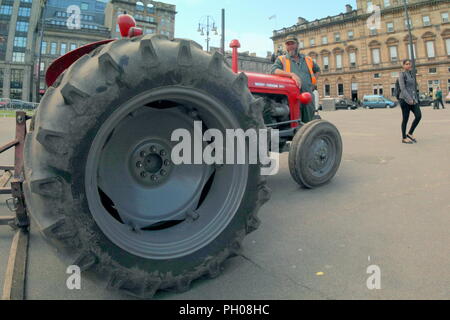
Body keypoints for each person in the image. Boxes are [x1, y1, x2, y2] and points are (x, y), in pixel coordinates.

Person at [271, 35, 321, 123]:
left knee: (308, 124)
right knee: (294, 124)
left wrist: (313, 83)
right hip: (291, 98)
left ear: (297, 45)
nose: (290, 46)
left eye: (292, 44)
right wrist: (291, 74)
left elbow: (317, 70)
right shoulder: (281, 59)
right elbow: (274, 70)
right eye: (288, 44)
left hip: (308, 97)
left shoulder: (307, 59)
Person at [398, 59, 421, 144]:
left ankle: (410, 133)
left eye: (409, 64)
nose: (409, 65)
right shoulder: (402, 74)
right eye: (407, 64)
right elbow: (403, 89)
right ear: (403, 65)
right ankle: (404, 138)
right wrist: (409, 99)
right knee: (405, 119)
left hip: (413, 99)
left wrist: (415, 98)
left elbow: (413, 88)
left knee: (418, 116)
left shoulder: (411, 74)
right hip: (404, 100)